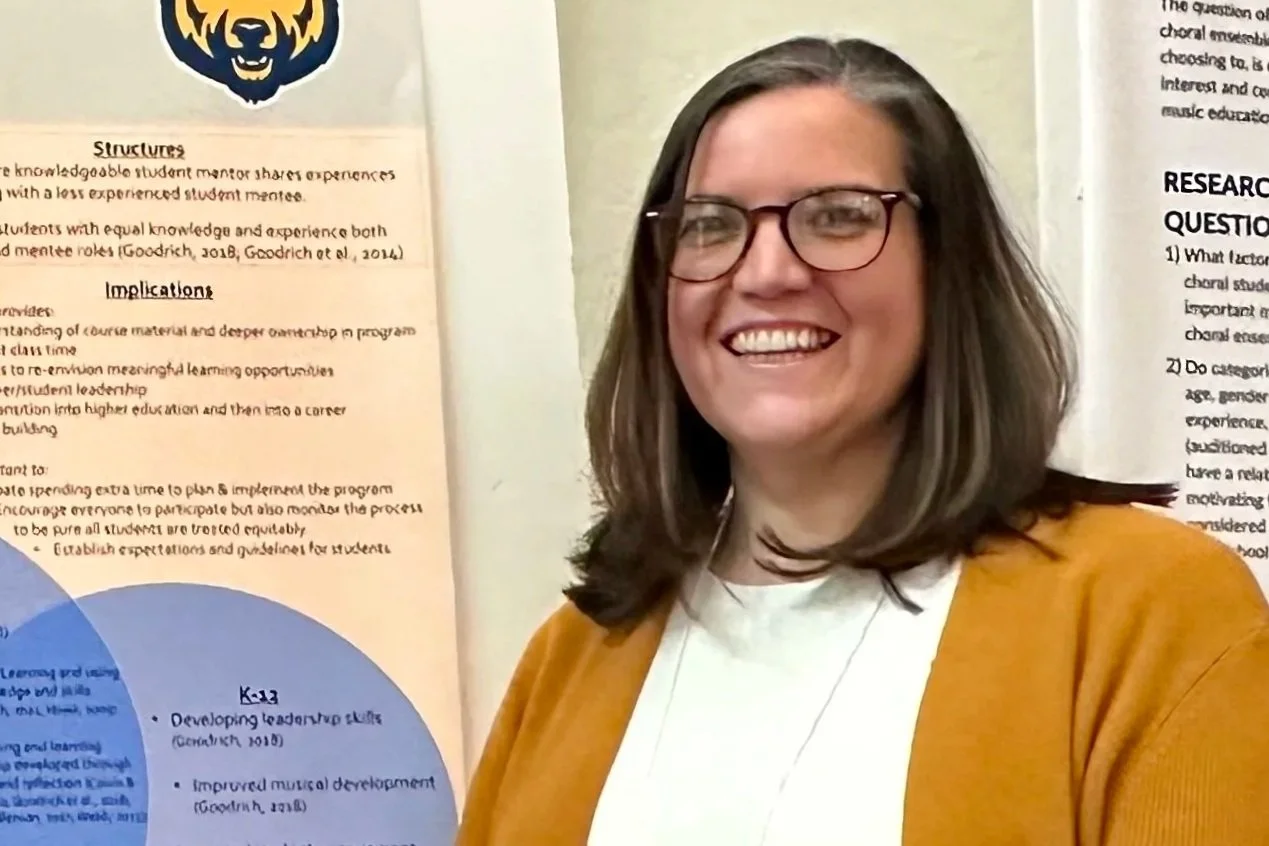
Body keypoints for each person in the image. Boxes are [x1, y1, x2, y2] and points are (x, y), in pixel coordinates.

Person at [456, 35, 1269, 845]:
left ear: (945, 266)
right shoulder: (576, 653)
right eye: (710, 226)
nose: (765, 271)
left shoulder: (1150, 613)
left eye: (837, 217)